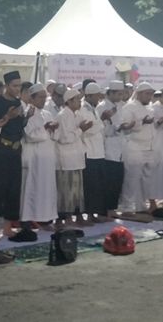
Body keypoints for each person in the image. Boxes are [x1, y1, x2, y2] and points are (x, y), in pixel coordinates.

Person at [0, 71, 24, 241]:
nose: (17, 89)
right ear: (7, 86)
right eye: (14, 86)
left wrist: (25, 118)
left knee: (13, 189)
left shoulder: (19, 103)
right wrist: (8, 116)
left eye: (19, 86)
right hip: (0, 149)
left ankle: (8, 227)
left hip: (15, 151)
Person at [20, 84, 58, 228]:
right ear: (32, 98)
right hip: (34, 158)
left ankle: (45, 219)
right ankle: (28, 220)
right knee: (32, 188)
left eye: (44, 97)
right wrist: (46, 128)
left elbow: (52, 134)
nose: (43, 100)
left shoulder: (47, 114)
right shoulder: (27, 113)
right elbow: (29, 135)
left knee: (47, 190)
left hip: (47, 158)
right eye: (40, 97)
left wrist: (53, 128)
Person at [119, 82, 156, 215]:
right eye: (147, 94)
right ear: (139, 93)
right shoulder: (129, 107)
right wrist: (142, 122)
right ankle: (127, 207)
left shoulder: (151, 108)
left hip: (149, 146)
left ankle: (141, 206)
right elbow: (125, 126)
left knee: (145, 179)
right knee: (132, 178)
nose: (150, 96)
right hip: (134, 146)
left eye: (151, 94)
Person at [55, 88, 90, 226]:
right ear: (69, 101)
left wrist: (83, 128)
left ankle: (78, 216)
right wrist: (81, 129)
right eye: (77, 100)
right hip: (66, 159)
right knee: (65, 191)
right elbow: (64, 138)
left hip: (77, 158)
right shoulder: (62, 116)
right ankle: (64, 218)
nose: (80, 102)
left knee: (77, 191)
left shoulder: (77, 115)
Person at [79, 82, 108, 221]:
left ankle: (95, 214)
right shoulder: (83, 109)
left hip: (98, 152)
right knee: (90, 186)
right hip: (89, 152)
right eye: (96, 96)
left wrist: (98, 124)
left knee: (98, 185)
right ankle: (89, 215)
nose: (98, 98)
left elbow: (96, 127)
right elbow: (88, 130)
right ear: (89, 95)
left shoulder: (93, 109)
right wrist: (100, 123)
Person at [97, 80, 125, 217]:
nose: (120, 97)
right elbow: (101, 128)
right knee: (108, 181)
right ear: (111, 93)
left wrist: (124, 127)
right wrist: (114, 127)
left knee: (117, 180)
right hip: (107, 148)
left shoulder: (119, 106)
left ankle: (112, 208)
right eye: (118, 94)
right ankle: (105, 210)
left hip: (119, 147)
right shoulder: (102, 107)